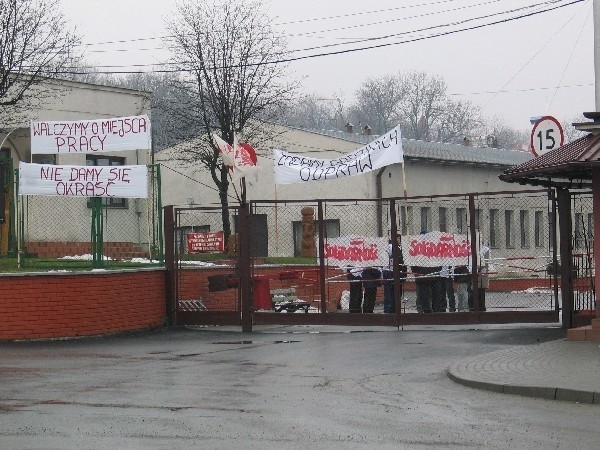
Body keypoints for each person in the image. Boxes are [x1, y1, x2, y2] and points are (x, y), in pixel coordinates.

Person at [383, 236, 406, 314]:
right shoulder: (395, 247)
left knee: (389, 292)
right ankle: (394, 309)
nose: (400, 240)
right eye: (398, 238)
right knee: (394, 292)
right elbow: (401, 261)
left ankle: (389, 310)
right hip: (393, 271)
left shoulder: (387, 247)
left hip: (387, 271)